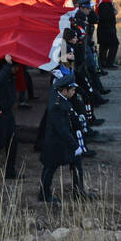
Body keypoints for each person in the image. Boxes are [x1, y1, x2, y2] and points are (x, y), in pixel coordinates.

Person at [39, 75, 79, 204]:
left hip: (57, 143)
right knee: (49, 169)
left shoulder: (61, 100)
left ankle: (45, 193)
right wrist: (74, 144)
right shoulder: (57, 106)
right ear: (64, 91)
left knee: (50, 168)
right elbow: (61, 129)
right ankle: (44, 194)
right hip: (54, 144)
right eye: (71, 90)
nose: (74, 92)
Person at [96, 0, 119, 69]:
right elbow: (105, 17)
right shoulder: (106, 4)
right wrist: (114, 13)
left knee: (104, 46)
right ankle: (109, 63)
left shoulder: (104, 3)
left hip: (103, 29)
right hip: (107, 29)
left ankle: (102, 63)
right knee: (114, 44)